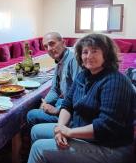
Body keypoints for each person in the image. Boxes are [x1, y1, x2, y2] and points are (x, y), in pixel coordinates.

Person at [28, 33, 135, 163]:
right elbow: (67, 105)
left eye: (94, 51)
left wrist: (68, 132)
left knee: (38, 148)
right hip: (81, 130)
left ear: (106, 55)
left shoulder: (115, 81)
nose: (89, 56)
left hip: (109, 146)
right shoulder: (83, 75)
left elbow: (106, 126)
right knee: (35, 131)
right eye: (85, 52)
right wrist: (61, 127)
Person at [27, 32, 80, 125]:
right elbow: (55, 89)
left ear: (63, 43)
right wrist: (44, 103)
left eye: (52, 44)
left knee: (31, 115)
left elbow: (79, 93)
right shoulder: (60, 61)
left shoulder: (73, 60)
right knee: (37, 103)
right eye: (46, 47)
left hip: (72, 113)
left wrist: (57, 110)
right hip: (64, 104)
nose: (49, 49)